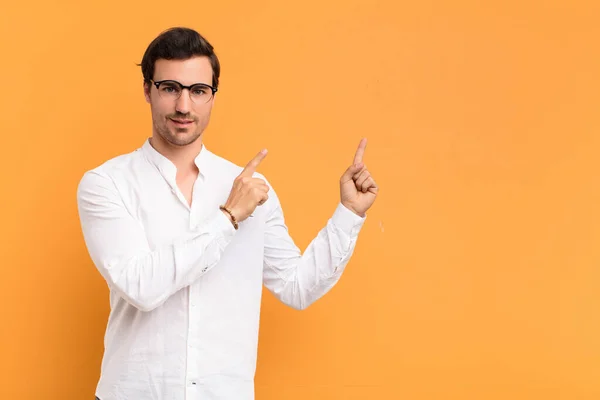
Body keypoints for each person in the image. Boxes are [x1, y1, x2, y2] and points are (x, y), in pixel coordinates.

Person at [77, 26, 379, 400]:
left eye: (198, 91)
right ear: (147, 90)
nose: (183, 106)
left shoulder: (251, 188)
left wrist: (348, 213)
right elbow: (141, 286)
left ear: (212, 96)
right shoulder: (106, 184)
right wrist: (228, 217)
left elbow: (296, 287)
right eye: (170, 88)